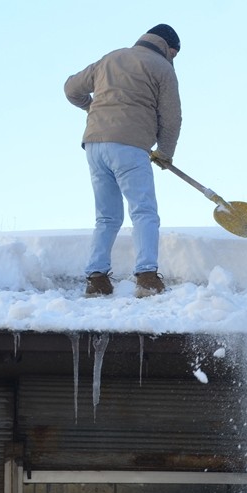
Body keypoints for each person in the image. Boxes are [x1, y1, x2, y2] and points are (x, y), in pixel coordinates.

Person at [64, 24, 182, 298]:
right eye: (174, 54)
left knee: (107, 216)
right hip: (129, 145)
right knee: (144, 211)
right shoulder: (163, 68)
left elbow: (71, 89)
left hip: (94, 146)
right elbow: (171, 117)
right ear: (169, 48)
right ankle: (147, 278)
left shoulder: (111, 58)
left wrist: (92, 106)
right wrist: (165, 152)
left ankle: (96, 279)